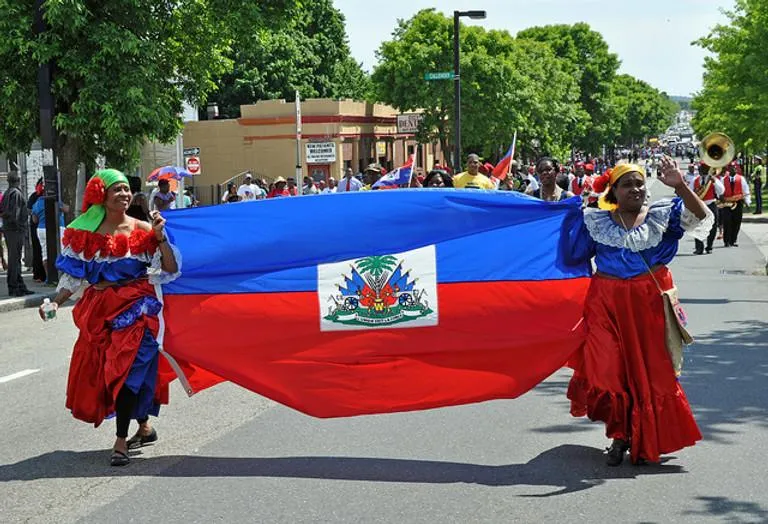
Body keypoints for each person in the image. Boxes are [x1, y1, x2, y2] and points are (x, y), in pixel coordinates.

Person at [565, 159, 712, 466]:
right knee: (609, 369)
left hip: (648, 302)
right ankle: (619, 435)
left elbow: (700, 215)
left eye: (639, 183)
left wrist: (680, 185)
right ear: (613, 191)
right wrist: (570, 217)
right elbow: (573, 255)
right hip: (605, 302)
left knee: (650, 373)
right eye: (627, 184)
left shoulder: (662, 215)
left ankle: (643, 438)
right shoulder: (596, 221)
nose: (635, 189)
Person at [41, 169, 192, 467]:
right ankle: (143, 425)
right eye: (116, 190)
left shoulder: (145, 229)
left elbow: (171, 269)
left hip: (138, 309)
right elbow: (72, 277)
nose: (124, 194)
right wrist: (56, 303)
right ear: (101, 195)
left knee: (126, 371)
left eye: (126, 189)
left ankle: (120, 441)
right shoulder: (84, 234)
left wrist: (160, 238)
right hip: (99, 311)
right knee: (113, 373)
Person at [1, 171, 33, 296]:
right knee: (15, 259)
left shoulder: (7, 193)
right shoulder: (16, 193)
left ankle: (19, 285)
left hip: (10, 230)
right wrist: (20, 227)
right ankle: (14, 287)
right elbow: (16, 213)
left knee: (15, 259)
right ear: (18, 180)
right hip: (15, 230)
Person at [689, 163, 724, 254]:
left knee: (712, 226)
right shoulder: (695, 180)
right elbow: (690, 192)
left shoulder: (713, 180)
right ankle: (699, 248)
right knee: (697, 227)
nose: (701, 171)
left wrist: (714, 182)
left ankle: (709, 246)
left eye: (703, 169)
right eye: (700, 169)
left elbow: (721, 191)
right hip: (699, 205)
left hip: (711, 205)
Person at [31, 187, 68, 269]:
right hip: (59, 227)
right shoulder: (56, 201)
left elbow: (34, 220)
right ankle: (61, 274)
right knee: (62, 251)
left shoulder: (37, 203)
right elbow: (66, 209)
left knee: (45, 254)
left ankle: (48, 277)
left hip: (42, 229)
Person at [720, 162, 751, 247]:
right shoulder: (723, 179)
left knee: (736, 221)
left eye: (734, 167)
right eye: (731, 167)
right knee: (727, 221)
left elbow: (746, 190)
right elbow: (720, 191)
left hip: (738, 202)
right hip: (727, 202)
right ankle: (726, 241)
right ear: (728, 169)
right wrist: (721, 197)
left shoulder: (741, 179)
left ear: (736, 168)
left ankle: (733, 240)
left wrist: (748, 202)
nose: (733, 168)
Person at [27, 179, 47, 282]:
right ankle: (39, 274)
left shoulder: (49, 196)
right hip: (36, 225)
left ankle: (43, 275)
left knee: (42, 250)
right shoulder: (34, 196)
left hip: (41, 225)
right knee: (38, 249)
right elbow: (29, 210)